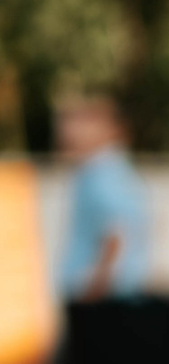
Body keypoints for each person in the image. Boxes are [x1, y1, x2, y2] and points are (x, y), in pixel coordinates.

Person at [51, 94, 151, 303]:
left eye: (85, 120)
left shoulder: (100, 173)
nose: (70, 129)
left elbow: (117, 236)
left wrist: (94, 292)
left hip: (100, 300)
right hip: (110, 299)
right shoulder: (111, 171)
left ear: (110, 128)